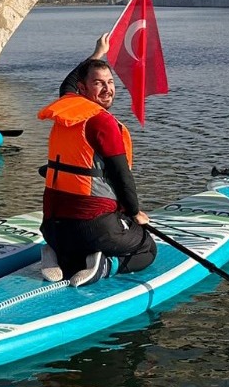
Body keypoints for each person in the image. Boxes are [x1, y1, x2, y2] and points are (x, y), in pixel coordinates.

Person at [37, 53, 156, 287]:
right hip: (91, 229)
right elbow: (122, 175)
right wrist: (134, 212)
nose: (107, 89)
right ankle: (103, 266)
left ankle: (57, 254)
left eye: (110, 82)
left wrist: (97, 53)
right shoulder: (102, 122)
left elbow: (67, 84)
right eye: (98, 83)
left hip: (52, 229)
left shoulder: (66, 110)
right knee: (147, 248)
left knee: (79, 240)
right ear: (82, 88)